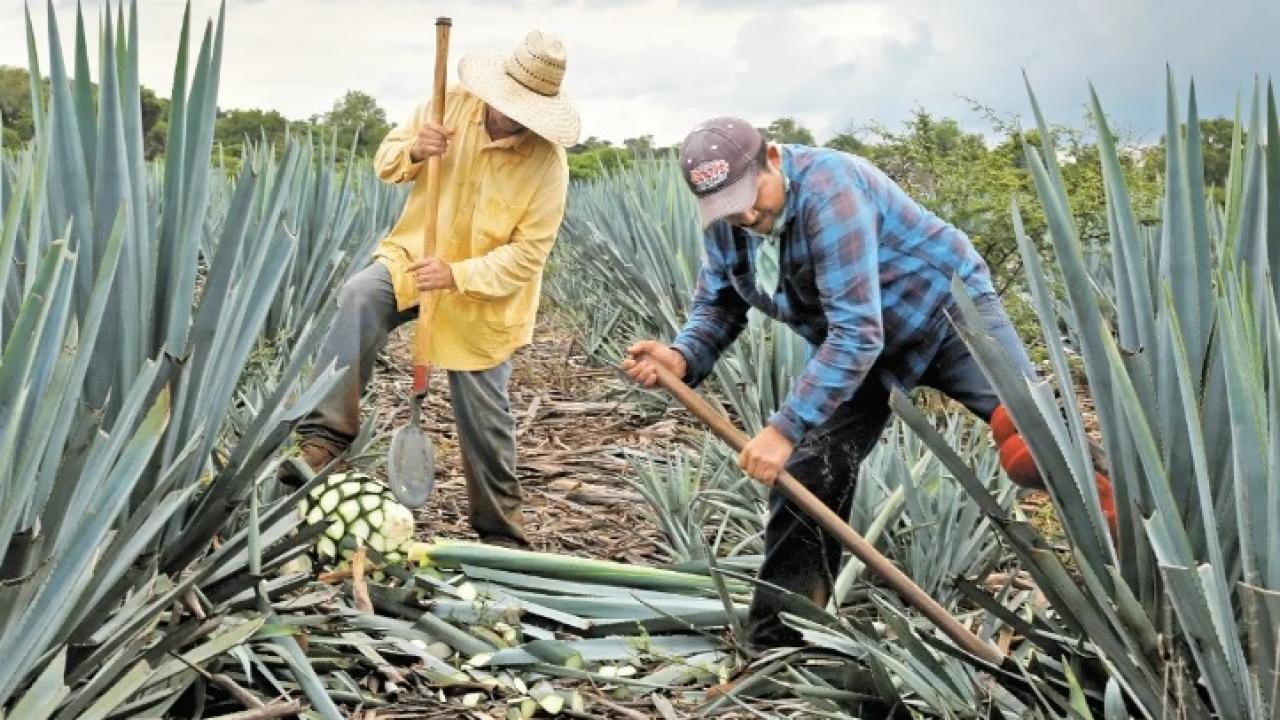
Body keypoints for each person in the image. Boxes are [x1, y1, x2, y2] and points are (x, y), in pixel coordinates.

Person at [622, 117, 1106, 649]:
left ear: (774, 159)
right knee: (811, 473)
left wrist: (783, 429)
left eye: (750, 195)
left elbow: (857, 332)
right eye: (727, 206)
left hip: (945, 311)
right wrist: (682, 355)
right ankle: (781, 640)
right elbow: (719, 303)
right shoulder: (729, 220)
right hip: (859, 348)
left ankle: (1139, 564)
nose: (747, 214)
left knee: (1036, 439)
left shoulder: (830, 190)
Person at [284, 30, 580, 550]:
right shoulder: (447, 107)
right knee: (360, 296)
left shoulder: (547, 166)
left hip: (480, 292)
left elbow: (527, 258)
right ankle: (326, 441)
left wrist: (458, 275)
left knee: (485, 413)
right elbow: (387, 162)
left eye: (525, 111)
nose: (510, 116)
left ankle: (500, 532)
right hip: (413, 259)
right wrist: (417, 150)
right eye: (507, 102)